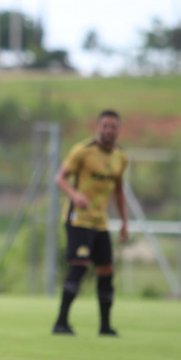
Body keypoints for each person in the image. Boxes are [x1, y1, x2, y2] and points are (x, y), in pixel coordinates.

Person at [52, 109, 129, 336]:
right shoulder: (82, 151)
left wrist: (124, 222)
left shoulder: (121, 157)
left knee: (106, 270)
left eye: (112, 126)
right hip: (78, 220)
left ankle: (105, 326)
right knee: (79, 266)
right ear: (98, 127)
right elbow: (59, 178)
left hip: (100, 223)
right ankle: (61, 323)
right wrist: (74, 195)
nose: (108, 130)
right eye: (104, 125)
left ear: (118, 129)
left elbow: (119, 192)